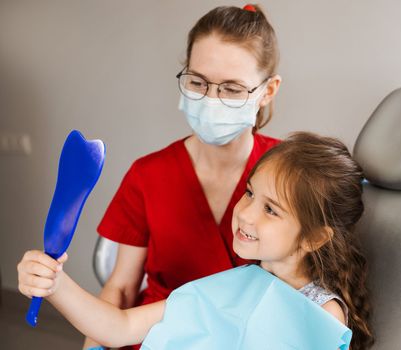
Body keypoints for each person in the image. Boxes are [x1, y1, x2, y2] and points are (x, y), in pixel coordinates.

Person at [17, 132, 374, 350]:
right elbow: (120, 327)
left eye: (271, 210)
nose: (245, 213)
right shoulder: (233, 285)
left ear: (314, 238)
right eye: (250, 193)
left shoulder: (320, 313)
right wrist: (55, 284)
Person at [82, 4, 280, 349]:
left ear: (268, 91)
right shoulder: (148, 174)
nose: (211, 100)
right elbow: (122, 288)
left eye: (232, 89)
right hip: (157, 335)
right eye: (198, 82)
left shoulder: (290, 173)